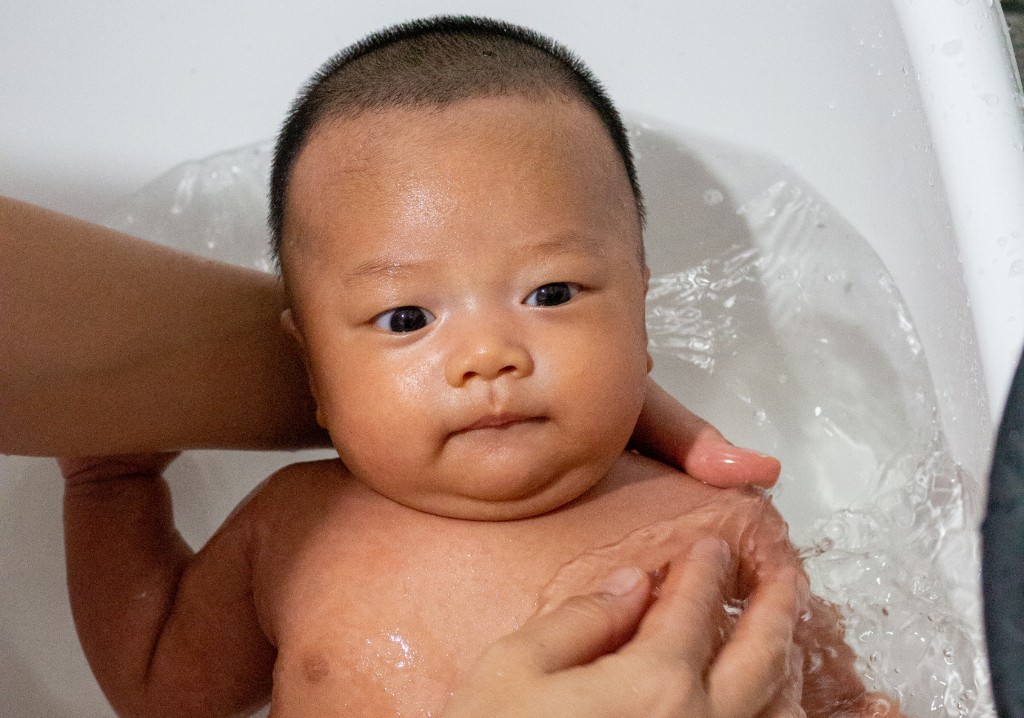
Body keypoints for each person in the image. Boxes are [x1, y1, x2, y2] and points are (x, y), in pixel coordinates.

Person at [56, 16, 900, 718]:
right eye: (408, 318)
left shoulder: (720, 527)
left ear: (642, 314)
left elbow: (845, 705)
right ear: (311, 369)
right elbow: (163, 687)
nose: (488, 355)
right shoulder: (293, 530)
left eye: (552, 293)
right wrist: (110, 484)